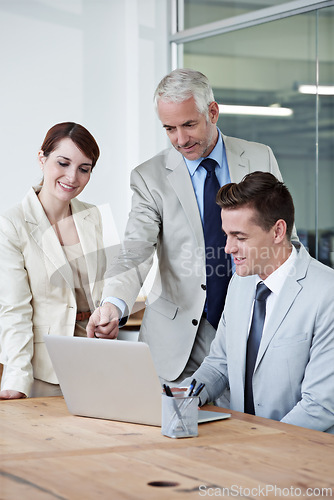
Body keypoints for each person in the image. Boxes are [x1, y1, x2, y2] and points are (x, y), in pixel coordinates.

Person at [87, 68, 291, 389]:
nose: (180, 139)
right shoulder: (149, 176)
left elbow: (282, 242)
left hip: (248, 327)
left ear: (212, 112)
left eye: (189, 125)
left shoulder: (258, 157)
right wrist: (113, 303)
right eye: (169, 128)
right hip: (177, 343)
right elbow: (135, 250)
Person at [180, 171, 334, 433]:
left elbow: (319, 405)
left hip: (301, 453)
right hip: (245, 446)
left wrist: (260, 445)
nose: (228, 248)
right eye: (227, 235)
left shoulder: (326, 293)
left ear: (278, 231)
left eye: (240, 237)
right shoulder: (241, 282)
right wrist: (183, 396)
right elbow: (220, 364)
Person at [0, 122, 106, 399]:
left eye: (84, 169)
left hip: (95, 365)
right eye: (63, 163)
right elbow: (14, 310)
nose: (72, 177)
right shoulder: (11, 224)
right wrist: (16, 379)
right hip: (43, 372)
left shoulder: (92, 215)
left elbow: (104, 288)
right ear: (42, 158)